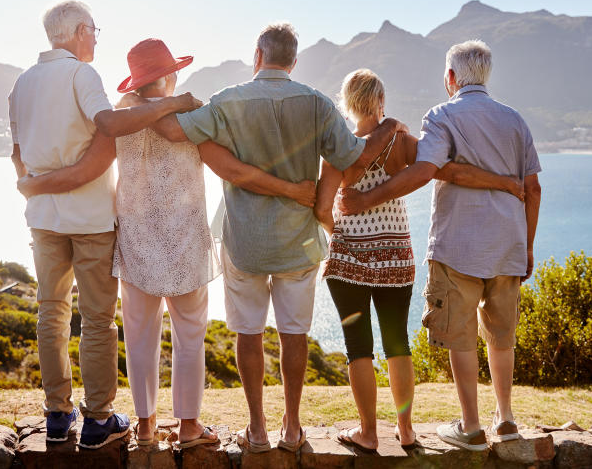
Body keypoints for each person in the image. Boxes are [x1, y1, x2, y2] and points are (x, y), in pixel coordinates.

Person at [17, 38, 316, 448]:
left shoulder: (120, 115)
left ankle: (144, 426)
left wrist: (35, 182)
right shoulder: (192, 114)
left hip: (137, 242)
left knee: (140, 338)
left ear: (137, 80)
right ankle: (190, 427)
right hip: (185, 244)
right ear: (171, 74)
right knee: (190, 337)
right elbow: (225, 164)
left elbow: (96, 164)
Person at [152, 23, 409, 453]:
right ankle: (292, 428)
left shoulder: (228, 101)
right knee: (294, 335)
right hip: (299, 241)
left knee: (247, 334)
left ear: (258, 55)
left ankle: (256, 429)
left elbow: (173, 131)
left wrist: (171, 101)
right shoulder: (317, 103)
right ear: (294, 61)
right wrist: (389, 127)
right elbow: (354, 159)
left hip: (245, 241)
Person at [8, 0, 202, 449]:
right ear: (78, 30)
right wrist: (175, 102)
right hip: (90, 218)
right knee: (97, 320)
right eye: (94, 29)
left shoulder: (21, 84)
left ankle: (57, 415)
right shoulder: (81, 75)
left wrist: (32, 186)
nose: (96, 37)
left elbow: (17, 153)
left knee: (50, 312)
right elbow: (109, 126)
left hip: (42, 220)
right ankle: (97, 420)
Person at [338, 40, 542, 451]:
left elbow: (426, 171)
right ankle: (505, 420)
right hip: (508, 246)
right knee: (502, 337)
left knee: (461, 335)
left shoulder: (442, 116)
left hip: (457, 246)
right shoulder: (515, 121)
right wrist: (528, 245)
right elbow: (533, 188)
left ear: (451, 78)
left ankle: (470, 426)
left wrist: (363, 201)